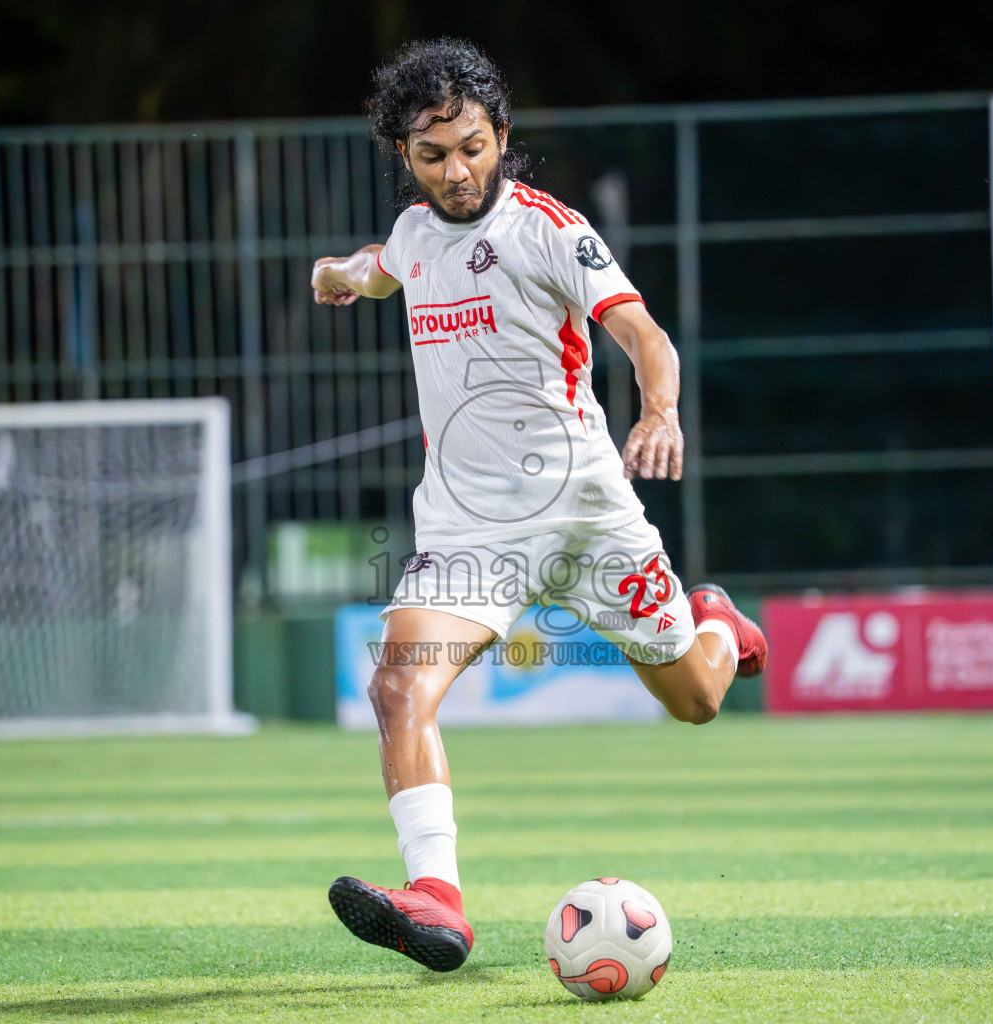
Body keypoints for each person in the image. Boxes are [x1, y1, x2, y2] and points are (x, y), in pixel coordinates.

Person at [310, 38, 767, 972]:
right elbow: (383, 265)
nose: (457, 170)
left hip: (587, 515)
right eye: (434, 155)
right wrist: (343, 277)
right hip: (469, 531)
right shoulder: (410, 232)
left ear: (501, 135)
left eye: (473, 147)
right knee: (399, 686)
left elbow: (643, 334)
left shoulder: (548, 229)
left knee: (697, 701)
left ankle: (716, 624)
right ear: (406, 156)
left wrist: (662, 410)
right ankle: (436, 900)